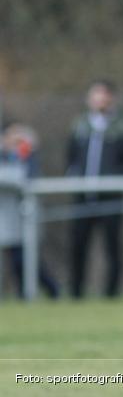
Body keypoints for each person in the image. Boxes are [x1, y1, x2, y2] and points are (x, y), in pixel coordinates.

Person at [67, 80, 123, 299]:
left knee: (113, 247)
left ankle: (111, 293)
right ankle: (76, 293)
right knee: (78, 246)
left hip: (111, 198)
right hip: (83, 197)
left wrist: (115, 179)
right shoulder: (80, 126)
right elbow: (70, 157)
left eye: (104, 95)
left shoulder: (122, 127)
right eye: (96, 94)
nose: (100, 99)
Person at [1, 123, 59, 299]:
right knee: (16, 260)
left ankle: (52, 289)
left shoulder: (28, 156)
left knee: (28, 258)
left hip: (26, 216)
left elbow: (27, 177)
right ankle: (24, 293)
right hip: (6, 217)